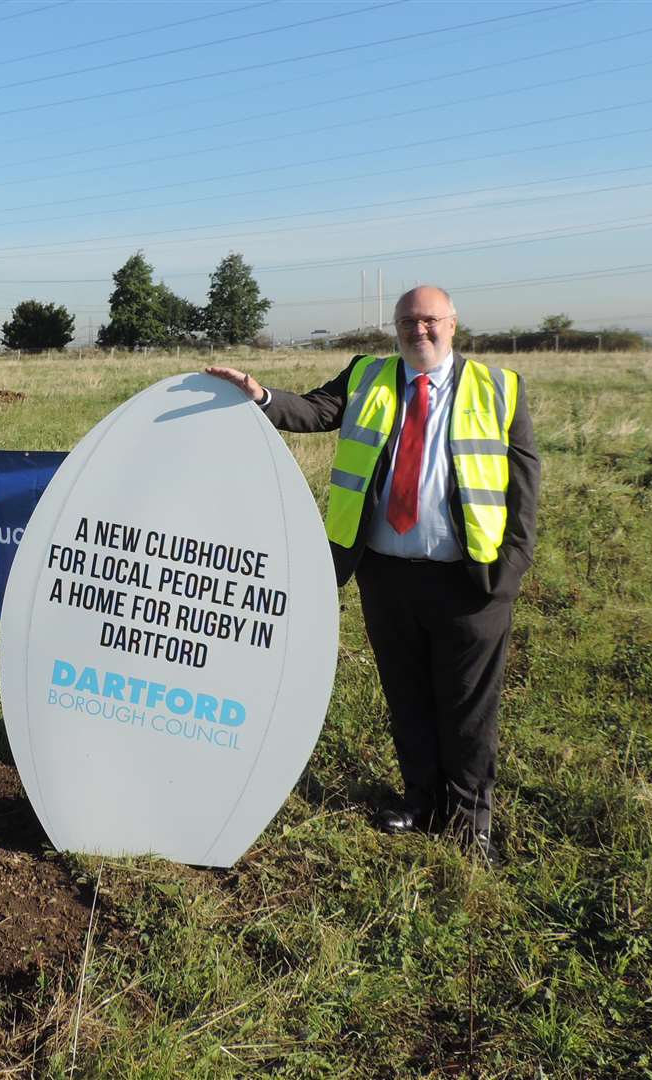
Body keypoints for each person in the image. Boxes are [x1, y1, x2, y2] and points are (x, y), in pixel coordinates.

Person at [207, 285, 540, 863]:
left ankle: (468, 820)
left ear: (453, 324)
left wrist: (510, 567)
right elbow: (314, 411)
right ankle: (420, 798)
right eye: (408, 321)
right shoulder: (367, 375)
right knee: (406, 694)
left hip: (471, 581)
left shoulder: (499, 388)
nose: (419, 331)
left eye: (430, 321)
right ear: (396, 326)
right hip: (385, 574)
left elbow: (524, 485)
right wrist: (259, 395)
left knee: (467, 707)